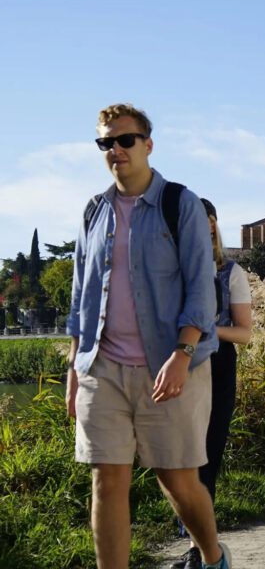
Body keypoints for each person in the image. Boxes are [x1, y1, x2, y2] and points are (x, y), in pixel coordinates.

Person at [66, 103, 231, 569]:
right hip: (102, 367)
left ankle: (212, 556)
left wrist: (182, 353)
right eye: (106, 142)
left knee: (177, 480)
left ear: (148, 145)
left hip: (170, 364)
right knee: (106, 480)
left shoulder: (180, 204)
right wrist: (75, 368)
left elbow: (201, 289)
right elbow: (81, 298)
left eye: (125, 140)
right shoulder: (94, 211)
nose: (115, 149)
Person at [171, 199, 252, 569]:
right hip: (175, 365)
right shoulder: (172, 271)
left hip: (216, 365)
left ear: (212, 225)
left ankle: (199, 550)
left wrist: (204, 332)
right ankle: (196, 546)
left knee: (206, 455)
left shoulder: (231, 273)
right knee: (179, 457)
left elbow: (245, 333)